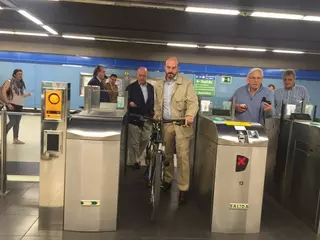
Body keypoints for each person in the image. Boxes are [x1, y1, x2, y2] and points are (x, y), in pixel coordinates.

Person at [154, 57, 198, 205]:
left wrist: (190, 114)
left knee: (182, 157)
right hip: (166, 124)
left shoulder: (186, 84)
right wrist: (156, 114)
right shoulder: (159, 84)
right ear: (164, 67)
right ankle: (167, 180)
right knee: (166, 155)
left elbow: (193, 102)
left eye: (173, 68)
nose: (170, 70)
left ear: (178, 68)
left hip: (181, 125)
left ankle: (183, 188)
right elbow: (158, 104)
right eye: (168, 67)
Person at [126, 67, 154, 170]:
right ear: (137, 75)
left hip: (147, 117)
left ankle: (137, 156)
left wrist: (153, 113)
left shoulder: (151, 88)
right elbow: (125, 102)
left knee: (145, 138)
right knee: (134, 141)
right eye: (140, 75)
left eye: (144, 75)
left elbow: (152, 102)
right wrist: (129, 104)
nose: (142, 77)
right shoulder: (130, 88)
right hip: (134, 118)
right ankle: (135, 161)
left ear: (147, 76)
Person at [2, 69, 31, 144]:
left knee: (17, 122)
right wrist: (7, 103)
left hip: (19, 106)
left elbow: (20, 96)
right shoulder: (9, 81)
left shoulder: (21, 84)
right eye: (19, 74)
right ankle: (3, 136)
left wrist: (27, 95)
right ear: (14, 74)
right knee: (13, 121)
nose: (20, 76)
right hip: (11, 104)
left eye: (21, 74)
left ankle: (15, 139)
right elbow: (3, 91)